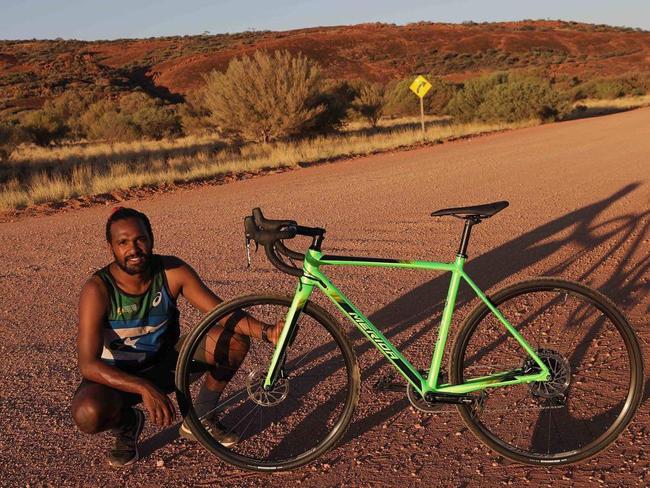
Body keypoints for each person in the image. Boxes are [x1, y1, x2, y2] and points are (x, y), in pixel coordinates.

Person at [71, 207, 281, 467]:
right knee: (87, 413)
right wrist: (142, 387)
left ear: (151, 238)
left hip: (167, 365)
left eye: (140, 239)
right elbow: (88, 365)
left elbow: (220, 312)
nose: (133, 249)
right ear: (110, 247)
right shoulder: (98, 289)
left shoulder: (172, 271)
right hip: (119, 379)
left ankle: (202, 417)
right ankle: (128, 425)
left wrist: (267, 331)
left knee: (234, 341)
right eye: (123, 242)